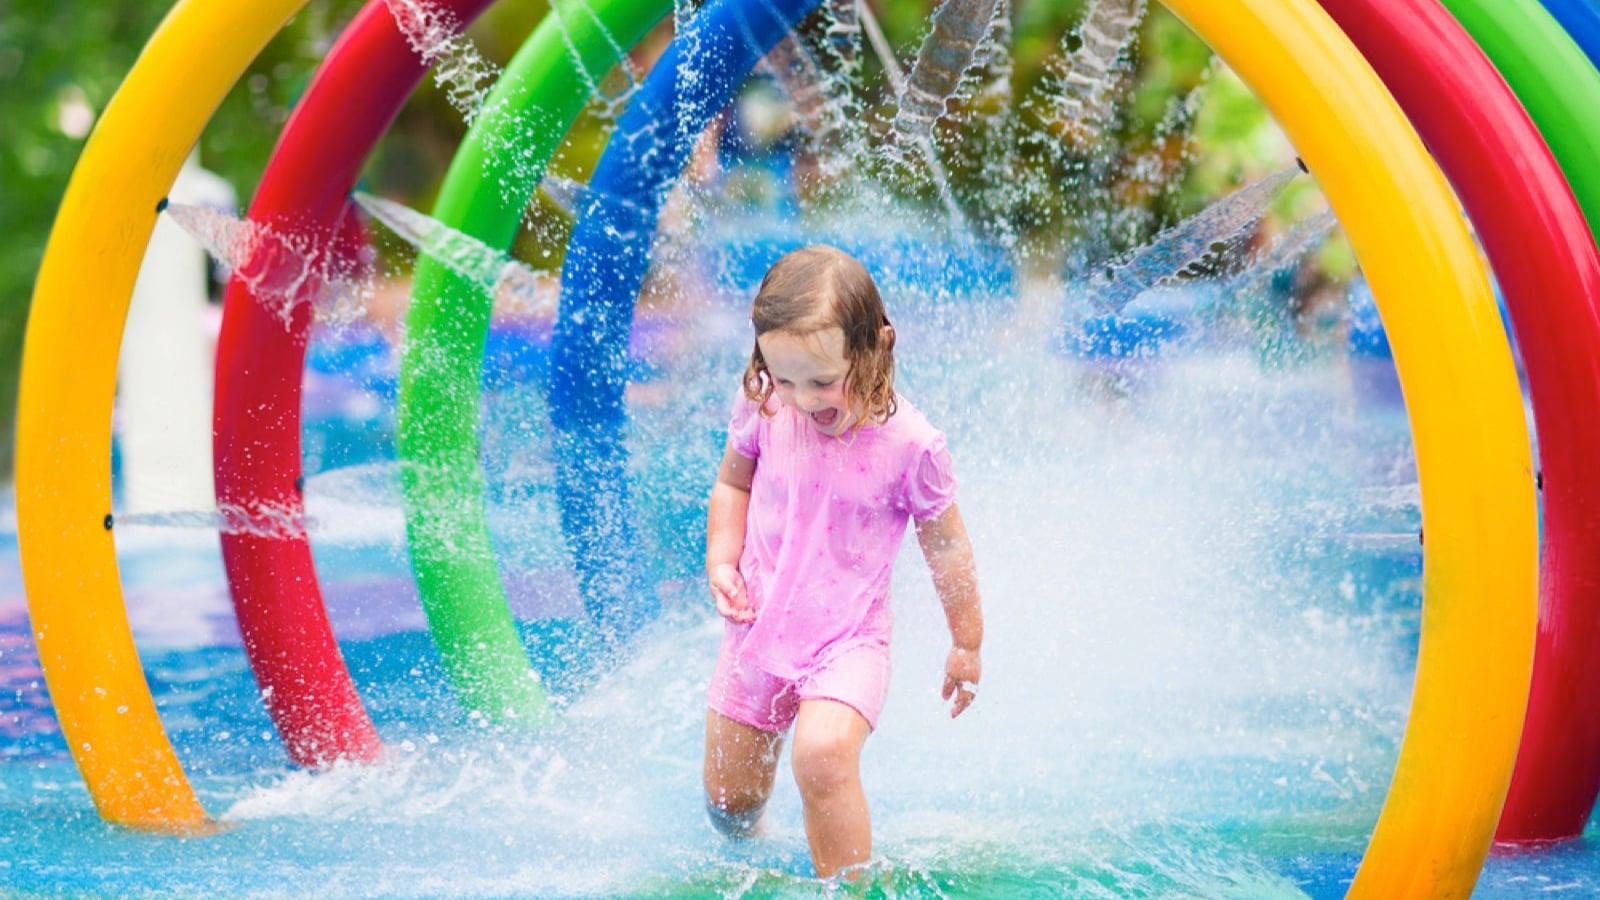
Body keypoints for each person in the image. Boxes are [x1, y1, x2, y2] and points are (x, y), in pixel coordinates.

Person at [702, 244, 985, 879]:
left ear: (878, 345)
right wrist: (722, 558)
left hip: (847, 639)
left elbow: (946, 547)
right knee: (730, 804)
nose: (803, 399)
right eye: (785, 378)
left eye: (823, 381)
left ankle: (849, 890)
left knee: (824, 756)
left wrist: (966, 642)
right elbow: (734, 482)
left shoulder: (912, 445)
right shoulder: (764, 401)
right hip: (757, 624)